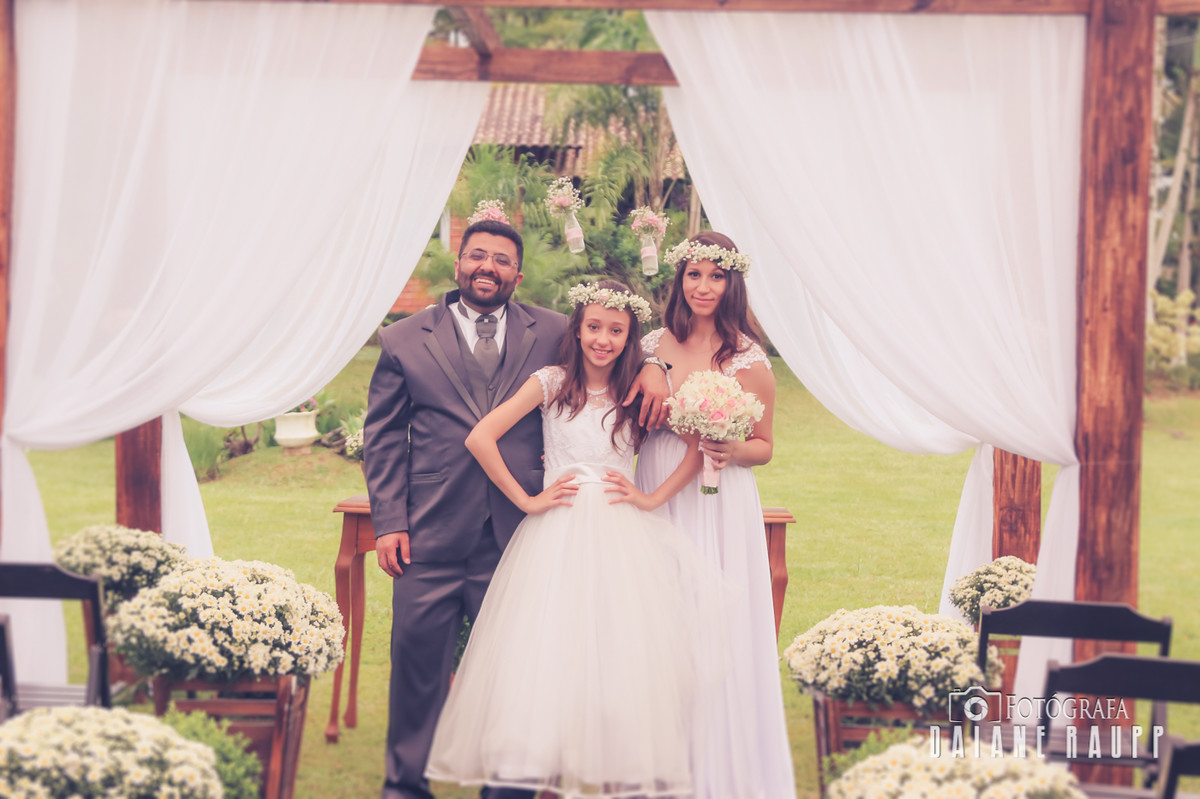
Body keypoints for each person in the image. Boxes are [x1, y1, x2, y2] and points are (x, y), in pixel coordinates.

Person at [364, 216, 669, 799]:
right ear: (459, 263)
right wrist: (390, 522)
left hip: (521, 532)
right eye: (478, 255)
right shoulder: (403, 339)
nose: (488, 267)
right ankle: (404, 787)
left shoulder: (554, 329)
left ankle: (510, 788)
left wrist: (657, 367)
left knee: (522, 671)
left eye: (502, 260)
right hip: (429, 529)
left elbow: (619, 340)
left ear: (517, 275)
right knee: (417, 666)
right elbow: (382, 438)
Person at [425, 280, 728, 798]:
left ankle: (609, 770)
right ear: (578, 329)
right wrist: (527, 500)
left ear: (629, 336)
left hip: (619, 538)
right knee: (544, 647)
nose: (603, 340)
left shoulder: (638, 393)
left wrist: (651, 499)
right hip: (557, 534)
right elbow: (480, 437)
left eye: (616, 330)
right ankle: (521, 775)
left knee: (617, 652)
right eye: (594, 327)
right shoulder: (551, 382)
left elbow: (698, 445)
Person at [634, 232, 797, 798]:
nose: (703, 286)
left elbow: (764, 446)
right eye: (694, 274)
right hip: (657, 483)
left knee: (715, 620)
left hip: (717, 496)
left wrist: (729, 447)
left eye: (716, 276)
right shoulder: (650, 344)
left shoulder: (748, 358)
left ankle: (719, 766)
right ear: (679, 279)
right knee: (660, 615)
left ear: (732, 283)